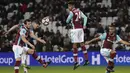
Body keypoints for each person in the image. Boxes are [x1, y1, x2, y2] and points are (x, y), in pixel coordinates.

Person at [66, 1, 89, 70]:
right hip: (80, 29)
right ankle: (87, 60)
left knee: (74, 45)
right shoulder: (79, 11)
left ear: (72, 6)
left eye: (69, 6)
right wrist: (84, 25)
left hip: (75, 30)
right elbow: (85, 18)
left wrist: (69, 19)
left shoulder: (71, 12)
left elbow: (67, 21)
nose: (68, 7)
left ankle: (76, 62)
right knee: (82, 44)